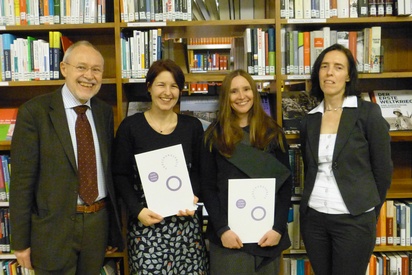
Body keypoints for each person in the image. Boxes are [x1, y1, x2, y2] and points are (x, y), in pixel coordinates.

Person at [9, 40, 124, 275]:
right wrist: (20, 242)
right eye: (81, 67)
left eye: (96, 70)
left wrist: (112, 229)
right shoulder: (34, 112)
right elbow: (22, 181)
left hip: (96, 225)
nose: (88, 76)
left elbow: (107, 172)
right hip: (52, 229)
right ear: (64, 68)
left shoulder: (103, 112)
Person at [299, 43, 393, 275]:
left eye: (338, 67)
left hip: (354, 219)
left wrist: (368, 209)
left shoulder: (367, 113)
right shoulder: (309, 120)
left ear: (348, 75)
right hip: (315, 219)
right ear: (317, 73)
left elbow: (383, 169)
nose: (330, 72)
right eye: (324, 67)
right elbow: (310, 168)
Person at [112, 59, 208, 274]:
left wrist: (194, 196)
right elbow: (120, 175)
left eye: (174, 86)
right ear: (149, 87)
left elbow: (201, 171)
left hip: (186, 226)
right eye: (161, 85)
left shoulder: (191, 127)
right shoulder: (131, 127)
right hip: (147, 223)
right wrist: (138, 211)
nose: (168, 92)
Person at [200, 69, 292, 274]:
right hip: (228, 238)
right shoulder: (213, 136)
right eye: (234, 91)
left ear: (254, 93)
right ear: (226, 97)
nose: (241, 96)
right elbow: (207, 188)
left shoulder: (273, 133)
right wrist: (223, 230)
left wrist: (278, 228)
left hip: (267, 236)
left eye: (246, 89)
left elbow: (285, 185)